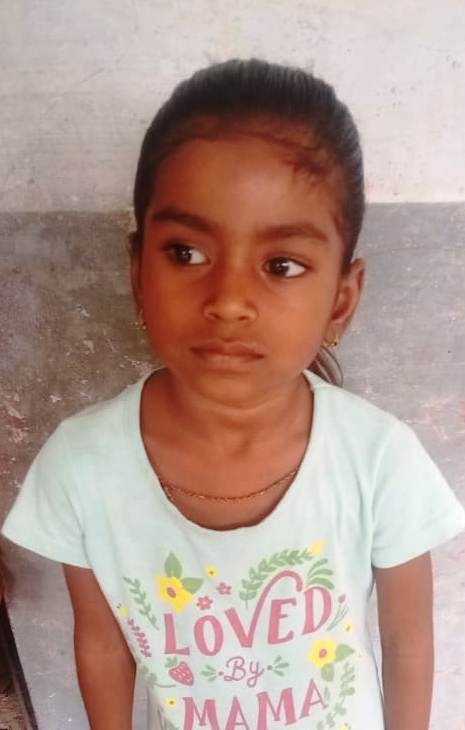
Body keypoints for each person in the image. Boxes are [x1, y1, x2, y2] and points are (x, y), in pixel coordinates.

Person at [2, 58, 465, 730]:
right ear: (137, 273)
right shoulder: (82, 466)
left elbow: (407, 642)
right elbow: (103, 646)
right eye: (185, 253)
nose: (227, 301)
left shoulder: (378, 458)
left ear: (341, 299)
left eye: (281, 264)